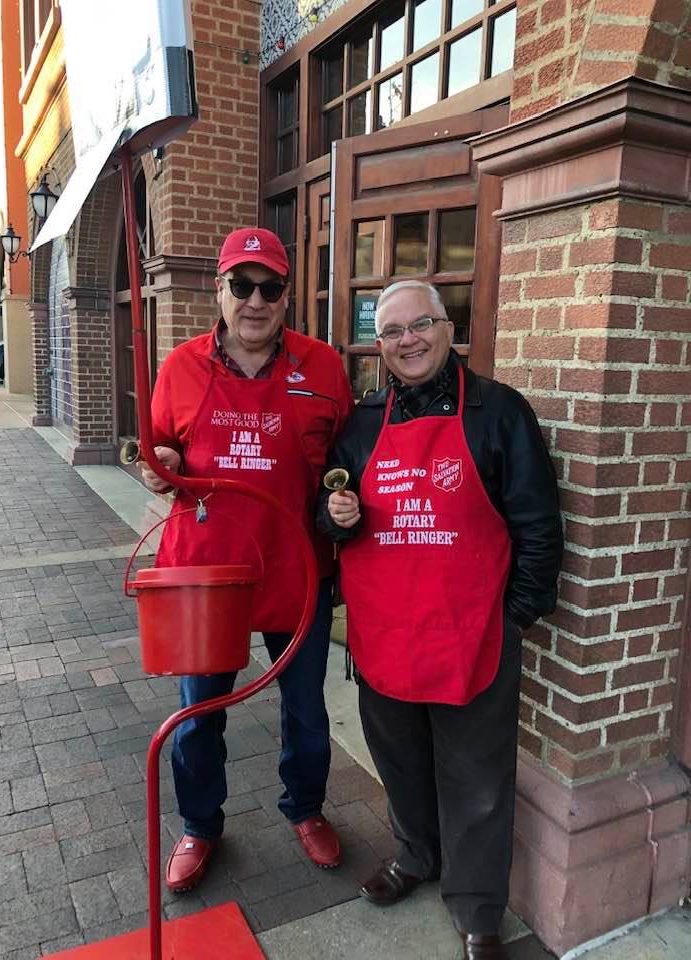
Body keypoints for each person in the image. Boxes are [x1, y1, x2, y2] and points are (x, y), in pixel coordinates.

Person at [318, 280, 563, 960]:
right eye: (392, 332)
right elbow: (327, 507)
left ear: (447, 326)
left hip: (472, 637)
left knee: (478, 783)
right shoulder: (363, 422)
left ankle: (479, 908)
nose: (408, 341)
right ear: (382, 345)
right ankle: (416, 857)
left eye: (419, 325)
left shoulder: (500, 413)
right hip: (385, 635)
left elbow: (538, 525)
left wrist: (517, 617)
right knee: (401, 764)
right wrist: (333, 516)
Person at [141, 227, 354, 893]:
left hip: (296, 569)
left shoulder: (323, 367)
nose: (255, 300)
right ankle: (200, 825)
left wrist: (345, 498)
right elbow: (159, 456)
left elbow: (345, 461)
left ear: (287, 294)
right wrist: (160, 468)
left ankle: (306, 808)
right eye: (242, 284)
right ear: (220, 289)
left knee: (306, 711)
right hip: (207, 575)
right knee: (199, 710)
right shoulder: (179, 367)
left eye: (270, 287)